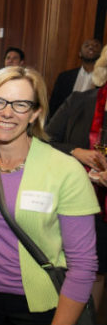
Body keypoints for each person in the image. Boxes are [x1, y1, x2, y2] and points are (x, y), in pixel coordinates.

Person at [0, 66, 99, 324]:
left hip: (35, 304)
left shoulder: (66, 171)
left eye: (20, 104)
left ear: (35, 113)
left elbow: (83, 267)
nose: (7, 112)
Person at [46, 43, 107, 310]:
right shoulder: (79, 101)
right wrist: (77, 152)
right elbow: (43, 139)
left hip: (104, 214)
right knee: (69, 268)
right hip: (72, 202)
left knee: (98, 269)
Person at [48, 38, 102, 120]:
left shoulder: (104, 79)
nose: (91, 47)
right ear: (80, 53)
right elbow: (54, 105)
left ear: (101, 54)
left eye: (96, 46)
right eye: (87, 45)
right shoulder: (65, 77)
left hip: (92, 126)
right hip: (65, 123)